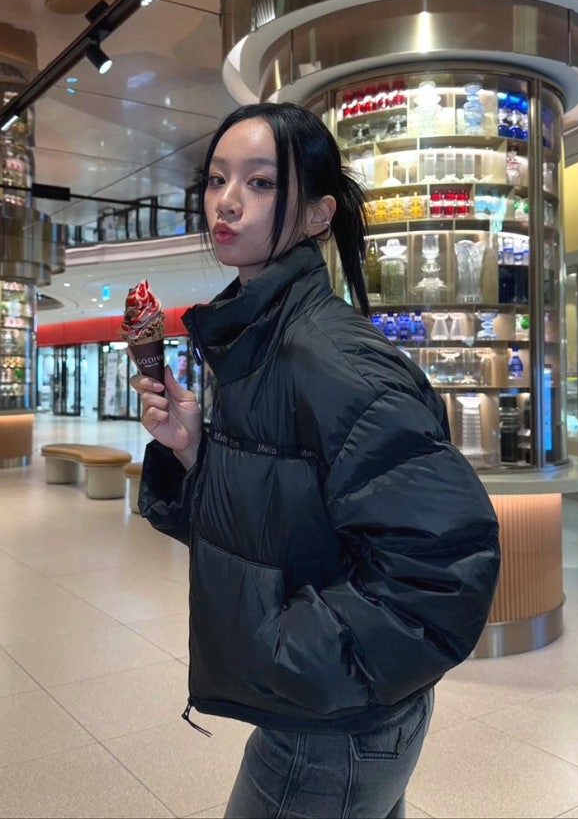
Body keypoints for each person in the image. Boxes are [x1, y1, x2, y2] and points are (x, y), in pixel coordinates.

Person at [131, 102, 500, 819]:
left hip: (330, 731)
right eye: (216, 179)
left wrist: (286, 651)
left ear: (315, 215)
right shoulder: (256, 344)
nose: (226, 201)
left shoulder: (328, 357)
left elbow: (442, 566)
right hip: (331, 711)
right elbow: (278, 524)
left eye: (261, 182)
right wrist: (195, 451)